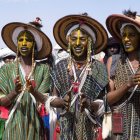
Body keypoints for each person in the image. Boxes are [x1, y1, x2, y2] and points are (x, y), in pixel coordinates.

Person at [50, 13, 109, 140]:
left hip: (90, 129)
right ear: (68, 41)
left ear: (89, 42)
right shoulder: (60, 66)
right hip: (64, 129)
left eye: (82, 39)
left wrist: (89, 103)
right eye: (73, 38)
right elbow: (52, 99)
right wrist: (62, 102)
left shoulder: (98, 67)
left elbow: (103, 104)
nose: (77, 43)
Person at [0, 19, 52, 140]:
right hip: (13, 126)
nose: (23, 43)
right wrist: (14, 92)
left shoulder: (43, 69)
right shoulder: (6, 70)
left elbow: (44, 101)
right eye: (20, 40)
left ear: (34, 44)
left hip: (35, 127)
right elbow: (2, 102)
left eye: (28, 40)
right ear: (17, 43)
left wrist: (33, 91)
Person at [106, 10, 140, 139]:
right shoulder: (114, 61)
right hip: (119, 128)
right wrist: (127, 84)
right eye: (123, 35)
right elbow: (107, 99)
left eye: (131, 35)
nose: (126, 39)